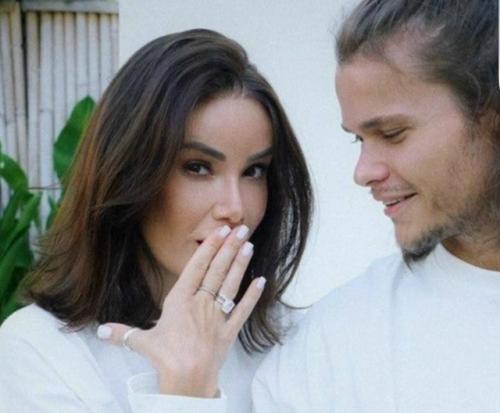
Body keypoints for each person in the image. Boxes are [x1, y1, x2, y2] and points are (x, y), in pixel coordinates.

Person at [0, 29, 312, 412]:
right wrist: (186, 390)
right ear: (130, 172)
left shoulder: (293, 341)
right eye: (198, 167)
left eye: (254, 171)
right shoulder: (40, 348)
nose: (235, 207)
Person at [253, 0, 500, 411]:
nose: (363, 172)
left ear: (492, 116)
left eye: (392, 133)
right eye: (358, 139)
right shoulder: (328, 352)